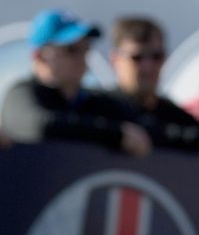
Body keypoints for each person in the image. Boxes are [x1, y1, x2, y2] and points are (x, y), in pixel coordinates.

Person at [1, 9, 151, 156]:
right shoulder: (22, 93)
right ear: (40, 56)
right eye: (71, 49)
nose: (82, 56)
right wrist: (116, 135)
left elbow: (142, 129)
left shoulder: (95, 101)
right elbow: (39, 126)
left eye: (85, 48)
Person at [109, 16, 199, 153]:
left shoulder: (174, 115)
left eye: (157, 56)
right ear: (115, 60)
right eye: (137, 58)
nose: (148, 67)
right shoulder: (99, 109)